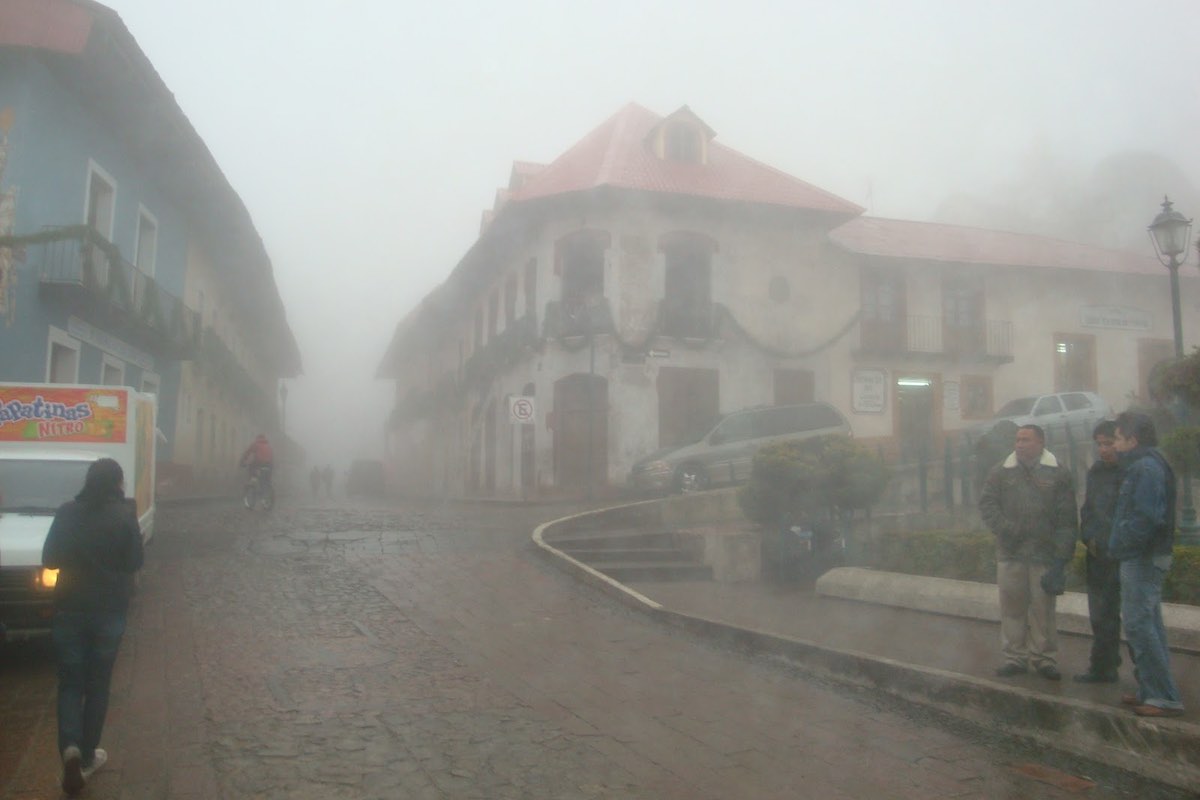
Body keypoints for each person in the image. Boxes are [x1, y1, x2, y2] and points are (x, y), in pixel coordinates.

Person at [42, 458, 145, 796]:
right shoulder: (124, 517)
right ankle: (87, 756)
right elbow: (134, 562)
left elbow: (50, 559)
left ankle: (69, 747)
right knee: (98, 683)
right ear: (118, 484)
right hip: (109, 611)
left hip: (69, 608)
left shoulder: (66, 512)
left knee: (70, 682)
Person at [979, 424, 1078, 680]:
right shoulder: (1001, 471)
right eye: (1017, 440)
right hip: (1011, 554)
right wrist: (1005, 528)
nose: (1020, 444)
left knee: (1043, 611)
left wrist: (1061, 558)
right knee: (1012, 609)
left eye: (1026, 440)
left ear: (1041, 442)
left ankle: (1044, 659)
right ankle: (1015, 657)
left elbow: (1067, 518)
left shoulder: (1058, 473)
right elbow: (987, 503)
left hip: (1043, 555)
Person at [1108, 412, 1184, 717]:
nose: (1113, 444)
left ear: (1132, 440)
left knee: (1140, 625)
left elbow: (1146, 518)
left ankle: (1163, 697)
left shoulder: (1145, 468)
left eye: (1116, 438)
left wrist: (1123, 544)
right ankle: (1152, 690)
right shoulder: (1146, 465)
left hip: (1142, 557)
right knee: (1149, 625)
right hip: (1143, 555)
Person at [1074, 420, 1123, 683]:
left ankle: (1148, 680)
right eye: (1100, 444)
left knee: (1137, 619)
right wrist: (1089, 537)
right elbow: (1088, 508)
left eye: (1109, 443)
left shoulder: (1132, 472)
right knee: (1101, 613)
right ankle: (1103, 666)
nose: (1104, 450)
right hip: (1098, 554)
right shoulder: (1096, 471)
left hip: (1125, 555)